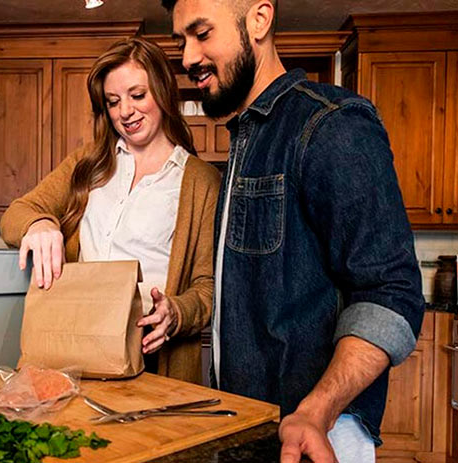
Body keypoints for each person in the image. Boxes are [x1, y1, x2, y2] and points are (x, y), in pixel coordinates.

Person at [160, 0, 425, 462]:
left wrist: (316, 411)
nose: (187, 57)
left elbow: (391, 292)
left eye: (202, 34)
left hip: (315, 436)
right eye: (182, 39)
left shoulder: (330, 124)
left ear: (259, 20)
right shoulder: (246, 138)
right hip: (251, 428)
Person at [0, 37, 221, 384]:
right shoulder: (88, 164)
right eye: (113, 101)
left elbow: (208, 286)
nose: (125, 112)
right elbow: (16, 214)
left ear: (162, 91)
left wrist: (175, 312)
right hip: (73, 350)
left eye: (137, 95)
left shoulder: (201, 182)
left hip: (152, 361)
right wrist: (40, 222)